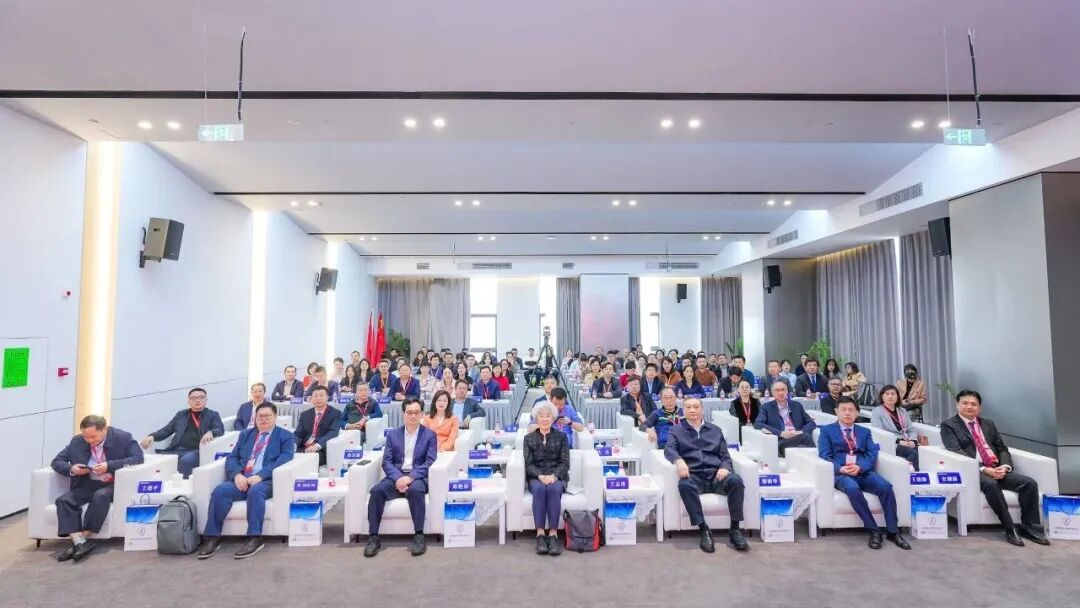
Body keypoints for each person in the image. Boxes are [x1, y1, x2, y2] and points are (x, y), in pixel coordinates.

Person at [941, 390, 1049, 546]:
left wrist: (1004, 467)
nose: (969, 407)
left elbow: (1001, 448)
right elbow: (955, 451)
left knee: (1029, 483)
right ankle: (1010, 528)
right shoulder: (949, 425)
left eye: (973, 404)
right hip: (974, 470)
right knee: (991, 485)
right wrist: (984, 469)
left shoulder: (988, 424)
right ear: (957, 404)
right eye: (965, 403)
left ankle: (1028, 526)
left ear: (979, 407)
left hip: (996, 467)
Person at [197, 403, 295, 560]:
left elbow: (285, 458)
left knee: (255, 491)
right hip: (243, 478)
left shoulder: (285, 436)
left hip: (267, 480)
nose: (263, 419)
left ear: (275, 417)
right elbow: (232, 457)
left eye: (267, 416)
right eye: (260, 416)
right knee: (220, 491)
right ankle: (212, 537)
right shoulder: (245, 435)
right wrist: (237, 475)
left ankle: (254, 538)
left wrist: (261, 475)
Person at [818, 397, 911, 550]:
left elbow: (872, 453)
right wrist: (840, 469)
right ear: (836, 412)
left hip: (863, 471)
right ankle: (874, 530)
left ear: (857, 413)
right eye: (843, 410)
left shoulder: (864, 432)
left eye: (851, 410)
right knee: (852, 489)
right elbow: (824, 455)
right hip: (842, 473)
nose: (847, 413)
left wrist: (860, 467)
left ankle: (893, 531)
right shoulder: (826, 431)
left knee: (885, 487)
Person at [52, 415, 143, 562]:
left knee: (101, 496)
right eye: (86, 437)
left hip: (114, 483)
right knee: (63, 500)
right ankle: (80, 543)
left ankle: (81, 540)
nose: (89, 440)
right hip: (88, 483)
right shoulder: (77, 441)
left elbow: (138, 458)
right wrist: (72, 469)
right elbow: (57, 461)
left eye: (93, 437)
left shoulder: (123, 437)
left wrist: (109, 465)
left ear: (104, 429)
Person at [664, 397, 748, 553]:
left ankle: (735, 529)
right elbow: (669, 449)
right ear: (683, 410)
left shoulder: (715, 430)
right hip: (694, 476)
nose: (692, 410)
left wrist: (725, 467)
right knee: (684, 484)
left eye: (696, 407)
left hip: (716, 476)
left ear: (702, 410)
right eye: (688, 407)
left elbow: (725, 456)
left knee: (736, 480)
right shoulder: (676, 430)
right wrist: (679, 461)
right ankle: (703, 529)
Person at [365, 398, 438, 558]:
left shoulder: (430, 435)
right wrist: (399, 478)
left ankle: (419, 535)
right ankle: (373, 536)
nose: (413, 416)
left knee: (416, 491)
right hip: (396, 477)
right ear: (403, 414)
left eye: (416, 412)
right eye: (409, 412)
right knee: (376, 491)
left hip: (417, 477)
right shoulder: (393, 435)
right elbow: (387, 461)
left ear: (422, 414)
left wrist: (410, 477)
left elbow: (430, 461)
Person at [139, 387, 224, 477]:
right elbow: (167, 430)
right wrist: (152, 436)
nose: (197, 400)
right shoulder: (181, 415)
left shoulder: (212, 415)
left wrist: (211, 432)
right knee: (155, 461)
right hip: (176, 450)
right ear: (189, 401)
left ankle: (182, 483)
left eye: (201, 397)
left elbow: (220, 429)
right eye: (193, 398)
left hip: (197, 451)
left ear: (206, 399)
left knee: (187, 460)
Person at [523, 401, 570, 555]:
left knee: (553, 489)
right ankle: (540, 534)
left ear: (553, 418)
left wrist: (554, 476)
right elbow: (528, 464)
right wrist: (540, 476)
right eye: (541, 416)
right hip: (536, 476)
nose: (544, 419)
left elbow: (565, 463)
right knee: (539, 489)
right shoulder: (529, 438)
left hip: (557, 476)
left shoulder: (562, 436)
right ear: (536, 418)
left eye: (548, 415)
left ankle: (553, 534)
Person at [754, 381, 816, 454]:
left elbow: (811, 423)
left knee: (803, 445)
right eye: (777, 390)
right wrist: (780, 433)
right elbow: (758, 424)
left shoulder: (796, 405)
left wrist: (801, 432)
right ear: (772, 393)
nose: (781, 393)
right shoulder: (766, 407)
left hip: (799, 437)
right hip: (781, 441)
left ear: (787, 391)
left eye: (783, 390)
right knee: (806, 437)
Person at [870, 385, 922, 469]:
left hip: (907, 440)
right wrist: (899, 441)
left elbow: (911, 429)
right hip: (892, 443)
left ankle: (918, 474)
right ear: (882, 397)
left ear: (897, 397)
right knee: (913, 453)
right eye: (887, 394)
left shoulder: (902, 411)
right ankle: (906, 473)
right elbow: (880, 433)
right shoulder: (877, 412)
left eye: (893, 394)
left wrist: (913, 441)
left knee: (923, 451)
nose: (890, 396)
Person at [293, 386, 342, 466]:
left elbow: (333, 432)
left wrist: (318, 445)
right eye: (315, 396)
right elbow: (298, 434)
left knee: (307, 462)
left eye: (321, 395)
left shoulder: (335, 413)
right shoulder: (305, 414)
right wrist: (294, 444)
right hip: (303, 447)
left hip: (321, 449)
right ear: (311, 399)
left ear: (327, 397)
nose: (318, 398)